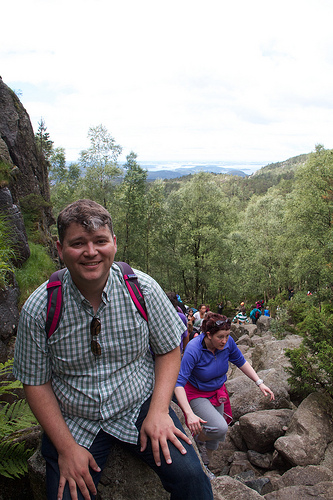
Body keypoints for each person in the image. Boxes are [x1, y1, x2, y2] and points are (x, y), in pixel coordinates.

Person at [13, 200, 213, 500]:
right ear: (59, 248)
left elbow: (169, 350)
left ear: (114, 244)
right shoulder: (41, 308)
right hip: (74, 417)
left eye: (100, 241)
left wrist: (159, 411)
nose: (91, 252)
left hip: (138, 403)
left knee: (192, 480)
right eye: (78, 243)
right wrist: (67, 449)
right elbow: (35, 382)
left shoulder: (142, 289)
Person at [174, 314, 274, 474]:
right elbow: (178, 383)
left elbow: (241, 361)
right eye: (220, 337)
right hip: (196, 393)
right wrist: (189, 413)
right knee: (219, 428)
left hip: (217, 391)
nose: (225, 340)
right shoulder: (194, 349)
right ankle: (196, 441)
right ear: (208, 335)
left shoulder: (227, 344)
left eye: (227, 336)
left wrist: (259, 382)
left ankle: (207, 466)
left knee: (217, 435)